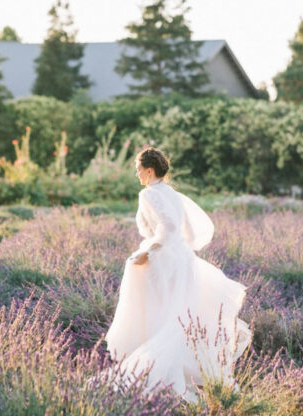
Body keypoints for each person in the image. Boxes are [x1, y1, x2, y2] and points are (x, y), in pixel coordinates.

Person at [103, 147, 251, 402]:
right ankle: (195, 375)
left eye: (138, 169)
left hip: (163, 261)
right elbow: (185, 230)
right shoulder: (170, 192)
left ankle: (163, 374)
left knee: (162, 317)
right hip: (182, 259)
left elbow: (170, 227)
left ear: (149, 170)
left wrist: (148, 251)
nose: (137, 173)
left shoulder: (148, 194)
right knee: (177, 317)